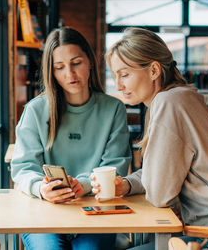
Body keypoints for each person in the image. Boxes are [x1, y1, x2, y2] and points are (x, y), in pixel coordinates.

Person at [92, 27, 208, 250]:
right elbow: (160, 174)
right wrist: (126, 185)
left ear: (154, 70)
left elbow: (159, 194)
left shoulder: (169, 103)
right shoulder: (177, 97)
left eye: (124, 74)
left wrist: (135, 184)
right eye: (114, 75)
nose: (118, 86)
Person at [11, 26, 132, 250]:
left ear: (91, 61)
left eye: (76, 63)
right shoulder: (36, 110)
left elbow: (116, 165)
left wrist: (84, 185)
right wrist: (40, 188)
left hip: (96, 212)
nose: (70, 74)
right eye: (60, 67)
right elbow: (22, 168)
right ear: (52, 72)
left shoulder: (113, 109)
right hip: (44, 212)